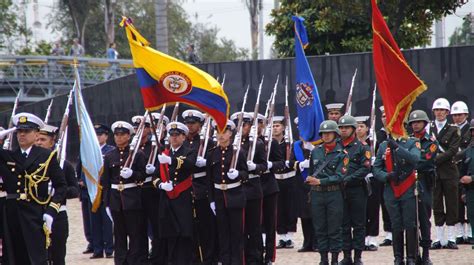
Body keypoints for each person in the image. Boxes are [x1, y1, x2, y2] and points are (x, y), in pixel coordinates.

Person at [0, 112, 66, 264]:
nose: (22, 135)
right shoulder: (8, 155)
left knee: (36, 257)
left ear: (36, 134)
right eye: (19, 131)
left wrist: (51, 211)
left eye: (27, 131)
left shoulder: (47, 156)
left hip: (35, 213)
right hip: (11, 213)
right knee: (14, 257)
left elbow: (61, 186)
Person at [102, 121, 148, 264]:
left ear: (129, 136)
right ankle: (120, 261)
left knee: (135, 234)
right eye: (116, 135)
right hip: (116, 200)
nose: (119, 138)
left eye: (122, 135)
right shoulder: (109, 156)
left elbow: (143, 175)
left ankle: (134, 261)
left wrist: (133, 174)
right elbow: (106, 182)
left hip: (132, 199)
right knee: (119, 234)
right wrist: (107, 202)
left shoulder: (137, 154)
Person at [152, 121, 197, 264]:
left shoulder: (189, 151)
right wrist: (161, 185)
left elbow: (189, 164)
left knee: (184, 233)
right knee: (169, 233)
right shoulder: (162, 153)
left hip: (183, 198)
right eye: (172, 135)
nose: (174, 138)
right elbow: (154, 177)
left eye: (178, 135)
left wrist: (170, 160)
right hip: (166, 199)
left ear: (184, 137)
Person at [373, 129, 421, 265]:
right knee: (396, 224)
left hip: (408, 188)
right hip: (391, 189)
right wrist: (386, 176)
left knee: (410, 223)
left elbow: (415, 159)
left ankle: (411, 257)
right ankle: (398, 258)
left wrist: (397, 148)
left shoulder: (412, 142)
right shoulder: (383, 145)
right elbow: (376, 168)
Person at [36, 124, 79, 265]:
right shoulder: (29, 164)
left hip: (58, 215)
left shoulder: (63, 165)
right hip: (35, 214)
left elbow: (75, 190)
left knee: (58, 255)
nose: (39, 143)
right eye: (37, 139)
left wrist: (59, 191)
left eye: (43, 139)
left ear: (52, 142)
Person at [306, 120, 348, 265]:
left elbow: (340, 176)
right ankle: (323, 259)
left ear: (335, 134)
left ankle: (335, 260)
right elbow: (312, 171)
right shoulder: (316, 151)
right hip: (317, 194)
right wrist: (311, 179)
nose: (326, 136)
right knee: (320, 227)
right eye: (323, 133)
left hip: (333, 194)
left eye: (329, 133)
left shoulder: (342, 153)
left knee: (335, 228)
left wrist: (321, 181)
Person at [207, 120, 247, 265]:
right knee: (222, 233)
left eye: (224, 131)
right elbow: (209, 179)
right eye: (218, 132)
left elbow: (246, 174)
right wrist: (211, 200)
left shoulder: (238, 152)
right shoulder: (212, 154)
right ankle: (225, 261)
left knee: (236, 233)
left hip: (235, 196)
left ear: (230, 133)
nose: (221, 135)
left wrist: (238, 174)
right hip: (218, 197)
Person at [182, 110, 217, 265]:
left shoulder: (208, 142)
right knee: (189, 228)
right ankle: (193, 258)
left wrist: (206, 162)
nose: (190, 126)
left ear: (201, 125)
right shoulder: (182, 142)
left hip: (202, 187)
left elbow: (216, 164)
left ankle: (209, 259)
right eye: (188, 123)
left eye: (193, 123)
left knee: (206, 227)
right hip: (185, 188)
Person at [231, 111, 266, 264]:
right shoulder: (232, 144)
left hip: (252, 188)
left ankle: (256, 258)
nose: (242, 128)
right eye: (239, 125)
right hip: (237, 189)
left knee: (254, 227)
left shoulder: (257, 143)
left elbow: (264, 166)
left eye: (244, 125)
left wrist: (255, 166)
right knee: (239, 228)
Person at [337, 115, 371, 265]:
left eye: (347, 128)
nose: (343, 130)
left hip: (357, 190)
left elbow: (365, 168)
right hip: (340, 190)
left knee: (358, 224)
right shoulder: (336, 146)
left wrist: (348, 179)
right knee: (343, 224)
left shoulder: (362, 146)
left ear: (353, 129)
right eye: (341, 128)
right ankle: (346, 256)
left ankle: (358, 256)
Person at [430, 98, 461, 249]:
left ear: (448, 112)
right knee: (436, 205)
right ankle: (440, 238)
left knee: (452, 204)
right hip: (434, 173)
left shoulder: (454, 129)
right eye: (437, 110)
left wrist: (435, 159)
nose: (439, 113)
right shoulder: (429, 128)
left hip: (449, 171)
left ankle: (451, 238)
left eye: (442, 110)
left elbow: (453, 150)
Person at [408, 110, 438, 265]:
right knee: (411, 219)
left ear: (425, 123)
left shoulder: (431, 141)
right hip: (409, 181)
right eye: (413, 122)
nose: (415, 124)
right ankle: (413, 254)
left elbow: (425, 160)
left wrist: (411, 159)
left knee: (424, 219)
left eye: (418, 122)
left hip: (425, 182)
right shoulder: (408, 140)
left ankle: (425, 254)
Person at [257, 114, 285, 265]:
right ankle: (255, 254)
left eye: (260, 123)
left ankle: (269, 256)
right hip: (251, 186)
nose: (257, 126)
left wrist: (270, 165)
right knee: (254, 224)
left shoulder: (271, 143)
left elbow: (281, 163)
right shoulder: (245, 143)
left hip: (268, 186)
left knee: (269, 223)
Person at [290, 118, 317, 253]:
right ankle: (307, 243)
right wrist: (300, 164)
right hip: (301, 183)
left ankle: (317, 242)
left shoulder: (317, 145)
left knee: (316, 214)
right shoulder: (296, 145)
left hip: (315, 183)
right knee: (304, 215)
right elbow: (290, 163)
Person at [272, 116, 298, 249]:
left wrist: (291, 162)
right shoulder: (269, 144)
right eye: (273, 126)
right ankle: (281, 237)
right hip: (276, 179)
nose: (275, 128)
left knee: (290, 207)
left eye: (277, 125)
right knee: (278, 208)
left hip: (290, 178)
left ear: (283, 128)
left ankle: (289, 237)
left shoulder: (291, 144)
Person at [450, 101, 471, 244]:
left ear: (466, 115)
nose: (457, 117)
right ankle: (459, 232)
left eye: (460, 114)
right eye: (455, 115)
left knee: (469, 201)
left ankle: (470, 231)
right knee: (455, 201)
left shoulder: (470, 129)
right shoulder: (451, 130)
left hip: (468, 166)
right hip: (453, 169)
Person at [377, 106, 392, 249]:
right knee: (385, 203)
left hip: (398, 173)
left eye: (387, 115)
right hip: (382, 174)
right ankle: (388, 234)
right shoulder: (377, 134)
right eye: (382, 116)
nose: (385, 118)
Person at [458, 119, 474, 246]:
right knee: (472, 215)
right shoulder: (469, 149)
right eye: (473, 131)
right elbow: (463, 170)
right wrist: (463, 190)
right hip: (470, 190)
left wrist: (472, 178)